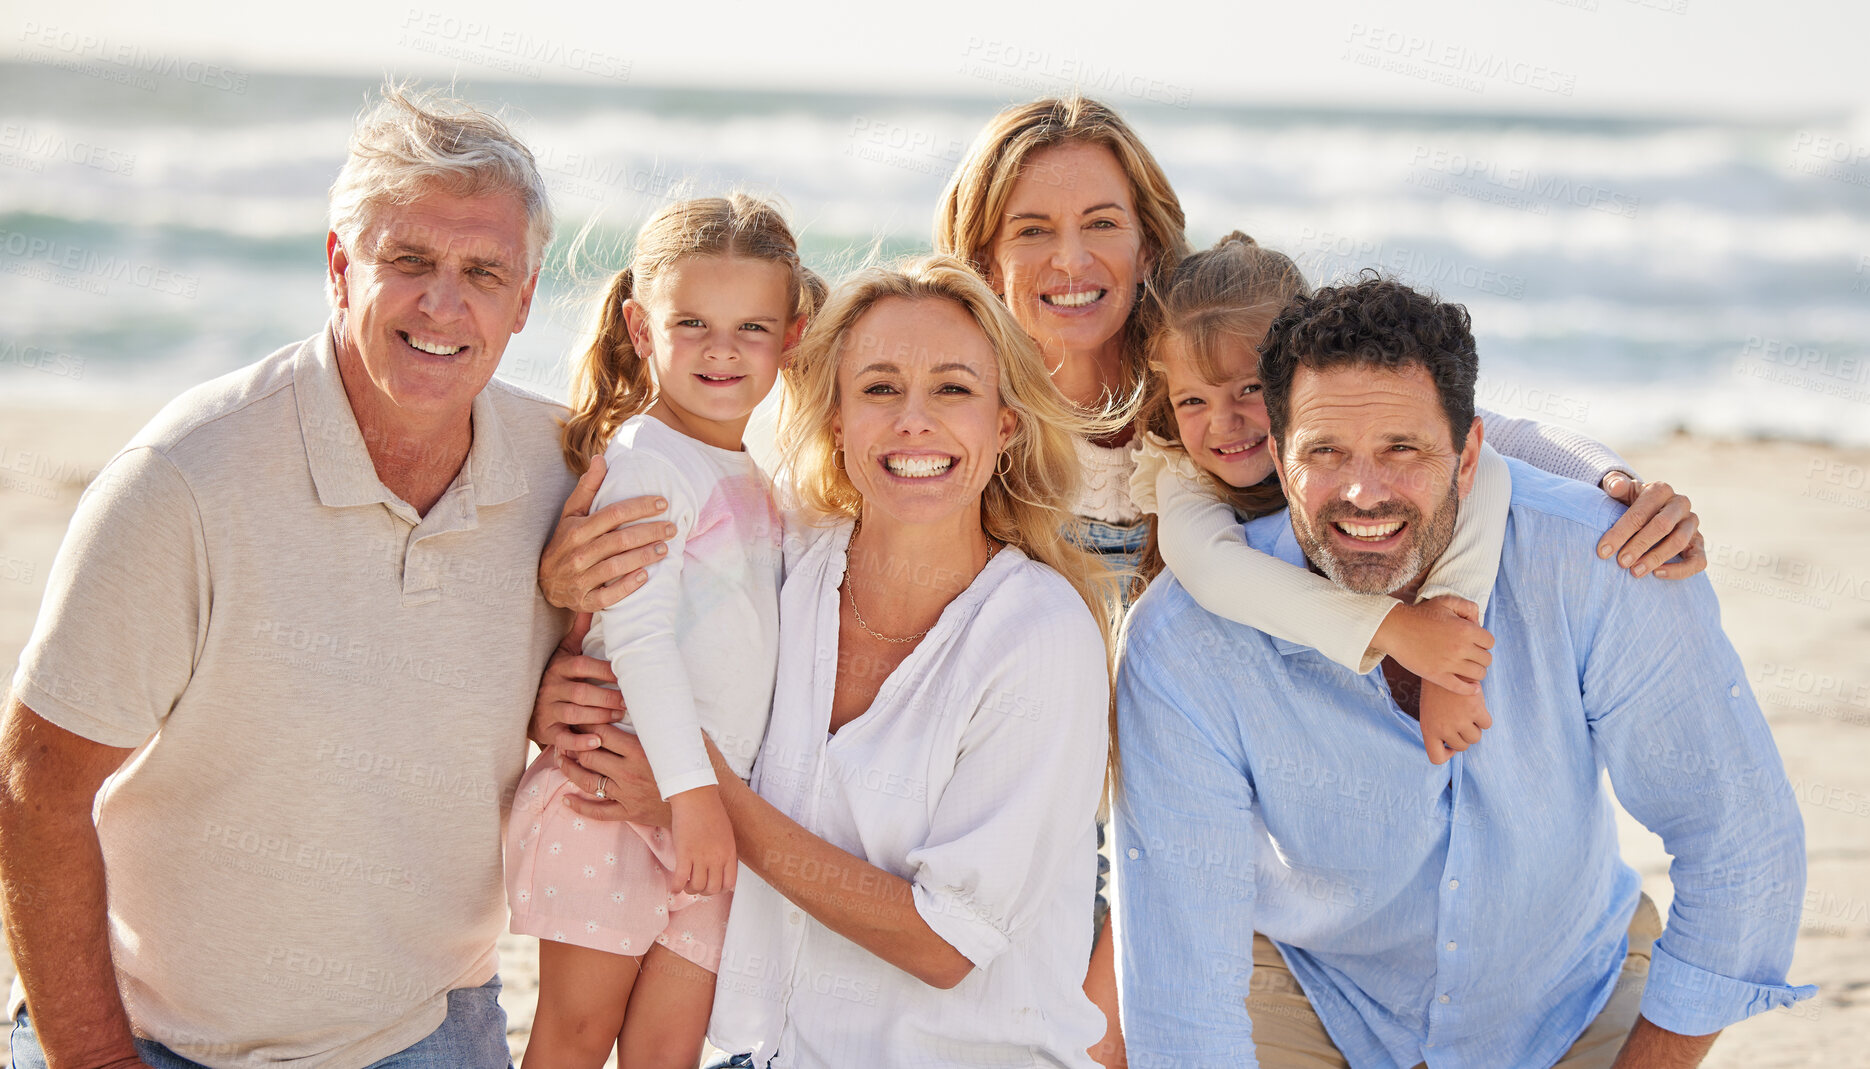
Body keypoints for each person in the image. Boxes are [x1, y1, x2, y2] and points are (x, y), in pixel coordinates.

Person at [0, 85, 675, 1067]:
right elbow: (34, 791)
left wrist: (588, 726)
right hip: (163, 1043)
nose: (443, 303)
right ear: (337, 266)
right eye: (408, 261)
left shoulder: (569, 474)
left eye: (483, 270)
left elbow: (675, 673)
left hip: (431, 1031)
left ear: (526, 298)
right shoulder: (185, 481)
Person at [1115, 275, 1814, 1068]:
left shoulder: (1603, 558)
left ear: (1472, 453)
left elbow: (1741, 841)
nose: (1362, 491)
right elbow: (1183, 999)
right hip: (1318, 989)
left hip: (1571, 991)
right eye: (1325, 452)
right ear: (1277, 452)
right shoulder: (1180, 642)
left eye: (1402, 450)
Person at [548, 257, 1118, 1065]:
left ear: (1006, 424)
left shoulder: (1039, 635)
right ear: (838, 419)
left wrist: (700, 798)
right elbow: (651, 638)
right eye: (880, 388)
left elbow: (942, 943)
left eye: (953, 389)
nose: (914, 421)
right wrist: (564, 663)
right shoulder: (790, 565)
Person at [1132, 232, 1711, 761]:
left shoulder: (1360, 411)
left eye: (1251, 389)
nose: (1224, 423)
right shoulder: (1180, 473)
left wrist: (1613, 482)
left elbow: (1499, 449)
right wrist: (1400, 633)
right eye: (1193, 402)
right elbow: (1215, 572)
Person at [505, 195, 811, 1069]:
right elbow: (639, 643)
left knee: (667, 1052)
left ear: (789, 338)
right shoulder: (647, 465)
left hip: (709, 816)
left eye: (752, 326)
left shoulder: (763, 474)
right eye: (692, 323)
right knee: (571, 1036)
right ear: (641, 328)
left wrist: (713, 809)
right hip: (624, 799)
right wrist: (692, 800)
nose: (722, 348)